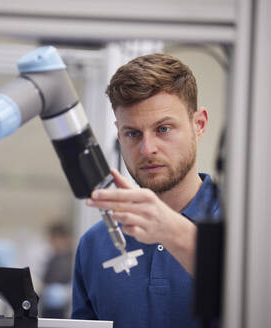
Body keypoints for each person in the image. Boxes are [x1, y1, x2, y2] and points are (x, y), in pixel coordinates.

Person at [71, 53, 221, 328]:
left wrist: (172, 230)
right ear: (119, 134)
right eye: (133, 134)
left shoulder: (246, 234)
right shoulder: (95, 244)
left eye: (163, 129)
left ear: (198, 125)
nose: (147, 149)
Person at [40, 222, 73, 318]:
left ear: (65, 238)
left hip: (64, 309)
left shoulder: (72, 259)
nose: (51, 242)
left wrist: (65, 293)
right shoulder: (52, 258)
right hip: (48, 307)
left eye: (54, 238)